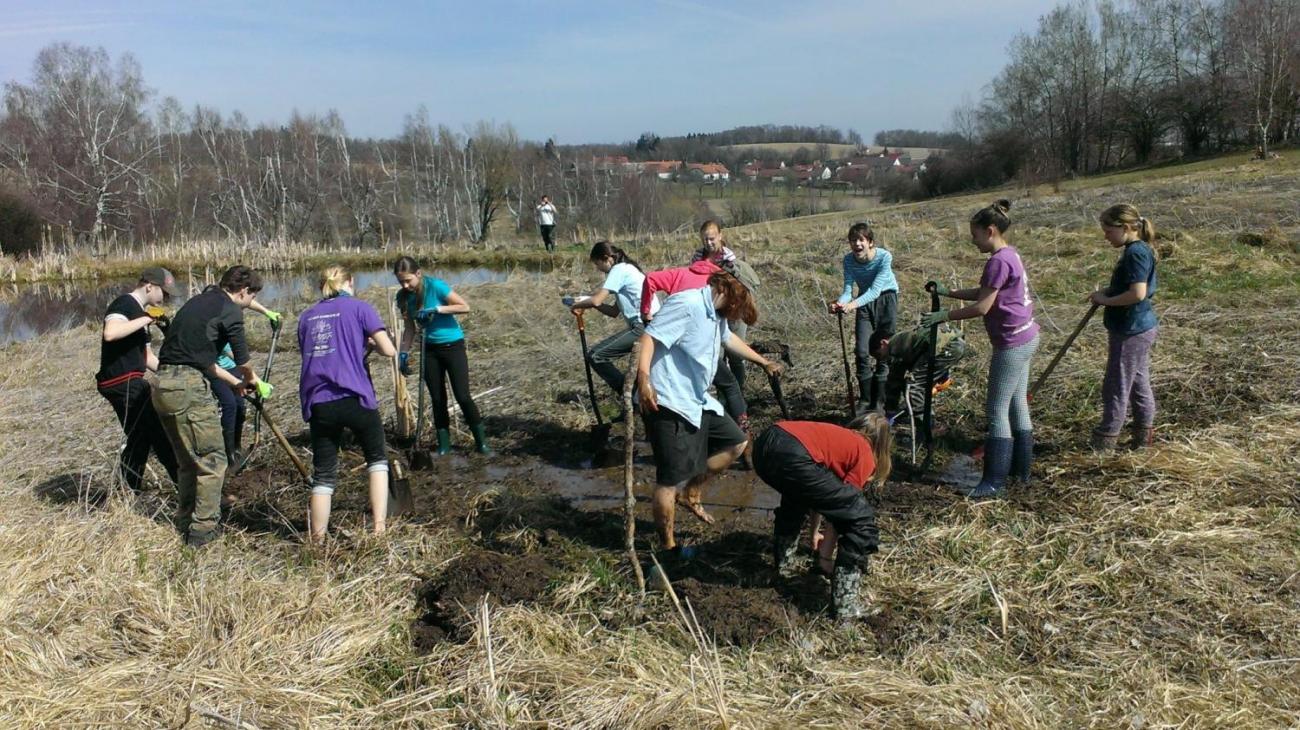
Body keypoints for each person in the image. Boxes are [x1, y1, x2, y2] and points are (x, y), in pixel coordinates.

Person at [635, 272, 783, 555]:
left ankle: (691, 492)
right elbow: (649, 338)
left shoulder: (716, 314)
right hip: (666, 398)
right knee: (668, 478)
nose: (734, 313)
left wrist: (764, 362)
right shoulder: (687, 304)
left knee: (736, 442)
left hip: (696, 398)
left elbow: (728, 340)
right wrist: (644, 380)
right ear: (724, 290)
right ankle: (669, 547)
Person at [922, 199, 1040, 498]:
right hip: (1028, 336)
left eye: (975, 236)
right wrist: (950, 293)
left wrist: (944, 316)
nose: (973, 242)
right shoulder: (1011, 254)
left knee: (996, 410)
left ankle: (994, 481)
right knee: (1017, 405)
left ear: (989, 231)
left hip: (1012, 344)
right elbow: (986, 291)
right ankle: (1021, 471)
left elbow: (983, 306)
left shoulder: (998, 261)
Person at [153, 265, 264, 547]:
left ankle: (185, 522)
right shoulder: (231, 310)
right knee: (214, 459)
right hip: (187, 387)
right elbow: (243, 361)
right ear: (243, 291)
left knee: (189, 462)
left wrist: (234, 384)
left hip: (163, 384)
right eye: (252, 298)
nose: (251, 304)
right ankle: (203, 533)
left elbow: (203, 360)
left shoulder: (199, 302)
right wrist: (252, 380)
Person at [752, 413, 892, 620]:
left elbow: (822, 499)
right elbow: (843, 513)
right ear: (881, 445)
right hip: (792, 451)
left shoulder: (836, 438)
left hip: (766, 443)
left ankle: (784, 568)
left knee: (795, 499)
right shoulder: (864, 452)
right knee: (860, 519)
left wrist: (814, 534)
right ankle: (846, 607)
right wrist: (825, 558)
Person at [298, 266, 397, 540]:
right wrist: (370, 343)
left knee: (324, 475)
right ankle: (379, 529)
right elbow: (389, 350)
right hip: (355, 397)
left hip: (319, 402)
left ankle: (317, 541)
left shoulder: (307, 316)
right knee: (377, 460)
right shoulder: (360, 308)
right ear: (350, 283)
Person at [643, 220, 754, 444]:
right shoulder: (696, 265)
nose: (709, 242)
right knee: (721, 376)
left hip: (721, 316)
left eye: (712, 237)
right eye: (705, 238)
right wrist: (647, 312)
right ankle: (733, 428)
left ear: (721, 236)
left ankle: (733, 417)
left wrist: (647, 313)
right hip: (695, 327)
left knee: (731, 363)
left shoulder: (729, 261)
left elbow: (738, 299)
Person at [393, 256, 490, 455]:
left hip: (452, 345)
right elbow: (410, 329)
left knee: (463, 396)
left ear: (418, 274)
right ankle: (444, 445)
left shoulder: (435, 286)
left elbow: (464, 306)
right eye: (400, 281)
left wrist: (437, 309)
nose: (405, 285)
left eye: (408, 280)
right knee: (437, 399)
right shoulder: (402, 297)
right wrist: (403, 353)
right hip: (429, 350)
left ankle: (481, 442)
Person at [96, 267, 180, 492]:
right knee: (159, 435)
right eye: (164, 292)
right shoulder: (124, 304)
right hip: (121, 382)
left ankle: (127, 491)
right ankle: (186, 490)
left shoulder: (142, 314)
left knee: (140, 437)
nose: (166, 298)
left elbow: (147, 358)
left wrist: (172, 371)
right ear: (149, 286)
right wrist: (145, 318)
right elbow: (110, 333)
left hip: (131, 380)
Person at [1088, 204, 1159, 451]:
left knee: (1116, 385)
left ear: (1126, 228)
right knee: (1138, 383)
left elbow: (1137, 293)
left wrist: (1107, 301)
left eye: (1108, 230)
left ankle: (1105, 442)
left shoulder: (1135, 253)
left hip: (1131, 330)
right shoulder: (1135, 250)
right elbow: (1129, 286)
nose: (1105, 235)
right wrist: (1106, 292)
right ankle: (1142, 440)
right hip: (1136, 328)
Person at [570, 241, 658, 408]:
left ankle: (632, 397)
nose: (598, 269)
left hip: (644, 325)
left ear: (607, 258)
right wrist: (587, 303)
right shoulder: (627, 269)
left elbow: (596, 300)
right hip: (649, 324)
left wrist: (579, 303)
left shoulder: (618, 270)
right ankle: (634, 398)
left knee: (595, 355)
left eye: (598, 264)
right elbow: (613, 311)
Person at [828, 222, 898, 412]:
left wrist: (852, 305)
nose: (856, 244)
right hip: (864, 303)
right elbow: (848, 289)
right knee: (861, 351)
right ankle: (866, 400)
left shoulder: (884, 257)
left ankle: (880, 401)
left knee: (883, 350)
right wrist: (841, 303)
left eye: (861, 240)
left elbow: (875, 291)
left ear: (870, 242)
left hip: (886, 299)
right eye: (853, 240)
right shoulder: (848, 260)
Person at [209, 299, 281, 471]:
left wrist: (267, 312)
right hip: (215, 371)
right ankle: (229, 454)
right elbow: (234, 354)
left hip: (232, 368)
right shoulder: (214, 325)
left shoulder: (228, 306)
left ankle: (237, 447)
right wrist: (256, 379)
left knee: (240, 407)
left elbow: (247, 300)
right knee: (229, 405)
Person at [870, 325, 974, 418]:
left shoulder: (894, 346)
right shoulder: (903, 337)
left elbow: (895, 380)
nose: (881, 359)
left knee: (914, 386)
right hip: (956, 342)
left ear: (883, 343)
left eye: (879, 355)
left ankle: (926, 424)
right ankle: (941, 380)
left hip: (947, 348)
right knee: (920, 380)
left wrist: (890, 411)